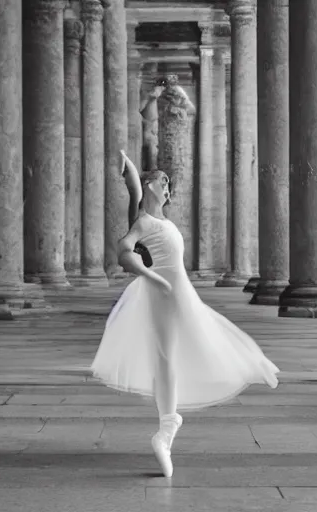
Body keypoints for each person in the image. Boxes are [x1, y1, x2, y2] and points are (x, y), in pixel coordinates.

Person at [91, 151, 280, 478]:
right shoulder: (144, 223)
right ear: (153, 186)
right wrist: (151, 277)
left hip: (175, 291)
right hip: (165, 291)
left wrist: (129, 168)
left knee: (183, 349)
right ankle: (166, 429)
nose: (168, 189)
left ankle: (167, 428)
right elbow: (124, 250)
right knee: (172, 354)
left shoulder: (156, 218)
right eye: (163, 183)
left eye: (168, 186)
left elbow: (136, 190)